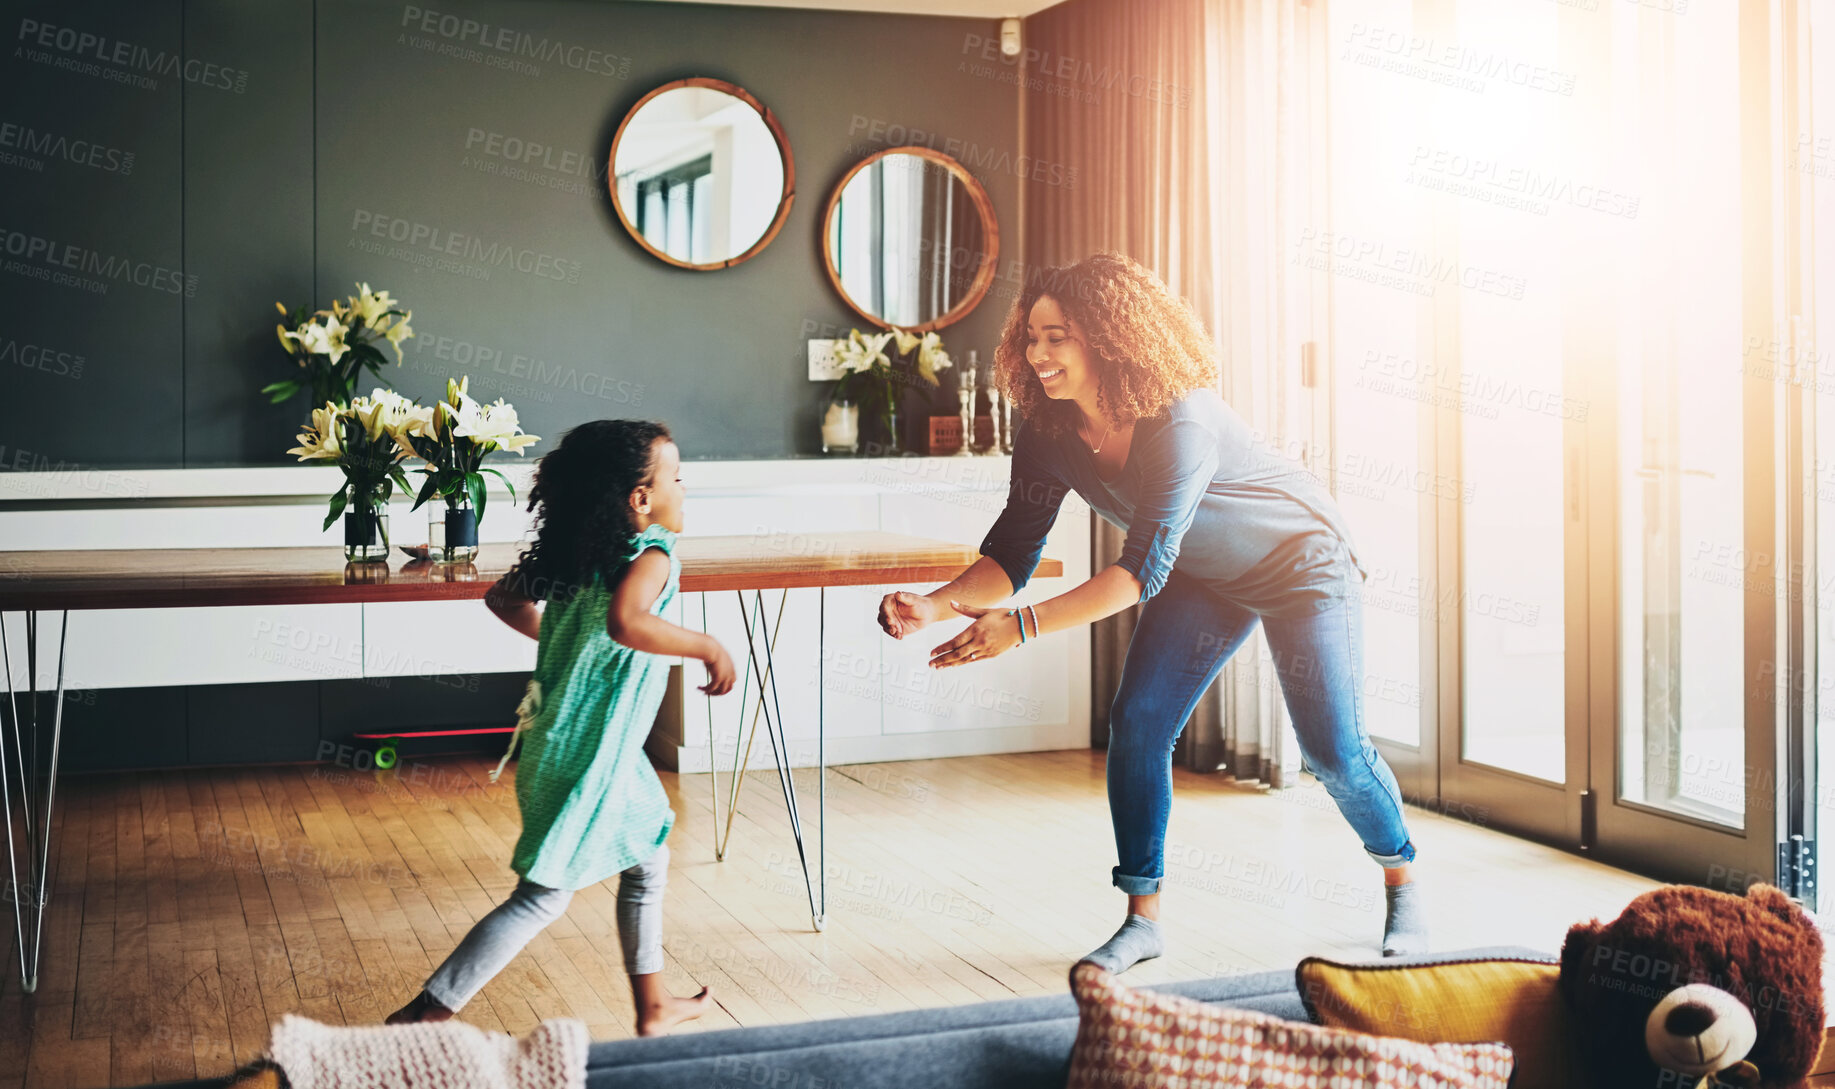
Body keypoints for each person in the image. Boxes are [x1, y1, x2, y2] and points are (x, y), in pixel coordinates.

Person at [877, 253, 1426, 974]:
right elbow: (1012, 553)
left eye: (1058, 336)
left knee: (1333, 753)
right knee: (1137, 725)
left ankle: (1402, 880)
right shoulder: (1046, 429)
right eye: (1031, 337)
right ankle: (1142, 918)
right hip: (1204, 574)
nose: (1037, 354)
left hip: (1301, 565)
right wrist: (938, 600)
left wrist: (1021, 628)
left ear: (1110, 338)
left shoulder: (1181, 422)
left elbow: (1137, 571)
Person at [388, 419, 735, 1035]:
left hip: (574, 745)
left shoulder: (575, 554)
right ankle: (424, 1016)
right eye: (675, 478)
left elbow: (503, 599)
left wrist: (566, 643)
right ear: (640, 498)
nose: (685, 488)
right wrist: (707, 646)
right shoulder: (652, 555)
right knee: (543, 896)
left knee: (649, 853)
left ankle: (653, 1003)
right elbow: (628, 624)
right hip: (592, 755)